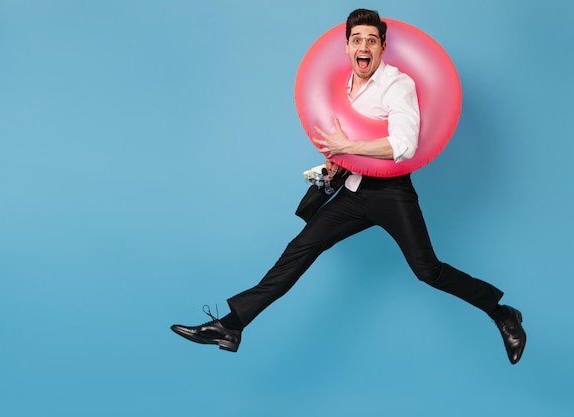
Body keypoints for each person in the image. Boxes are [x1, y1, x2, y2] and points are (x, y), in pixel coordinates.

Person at [171, 8, 526, 365]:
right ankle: (232, 325)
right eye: (357, 39)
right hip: (353, 191)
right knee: (299, 250)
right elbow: (347, 142)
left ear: (383, 47)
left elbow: (404, 145)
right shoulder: (342, 86)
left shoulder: (397, 84)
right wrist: (332, 167)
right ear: (346, 46)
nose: (364, 46)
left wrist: (348, 148)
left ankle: (502, 313)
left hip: (391, 192)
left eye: (372, 40)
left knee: (428, 270)